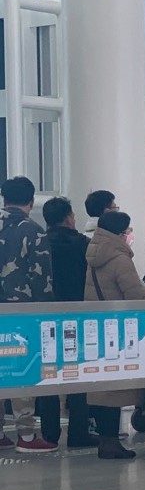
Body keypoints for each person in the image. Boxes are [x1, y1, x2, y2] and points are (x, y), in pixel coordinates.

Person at [85, 211, 145, 459]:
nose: (130, 235)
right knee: (114, 389)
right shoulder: (119, 259)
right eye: (128, 231)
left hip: (98, 326)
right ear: (121, 234)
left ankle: (106, 439)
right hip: (118, 330)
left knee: (102, 386)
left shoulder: (94, 254)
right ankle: (109, 443)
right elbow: (137, 297)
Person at [0, 177, 58, 453]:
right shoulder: (33, 230)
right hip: (21, 312)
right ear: (31, 201)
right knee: (22, 368)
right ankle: (25, 435)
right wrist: (45, 311)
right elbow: (41, 277)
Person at [36, 197, 98, 447]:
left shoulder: (41, 242)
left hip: (46, 316)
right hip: (77, 314)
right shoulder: (82, 244)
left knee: (48, 372)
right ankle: (78, 431)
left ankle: (49, 433)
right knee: (77, 372)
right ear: (70, 217)